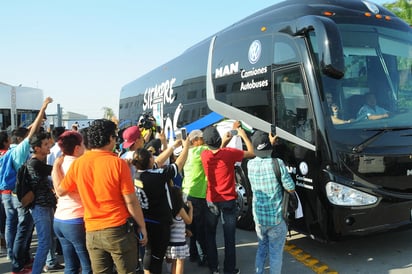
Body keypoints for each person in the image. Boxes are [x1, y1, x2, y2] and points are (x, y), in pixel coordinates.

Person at [52, 119, 147, 273]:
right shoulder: (118, 163)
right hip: (118, 229)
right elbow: (131, 201)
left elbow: (61, 191)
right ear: (110, 138)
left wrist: (56, 167)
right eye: (115, 137)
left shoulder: (78, 164)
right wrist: (142, 225)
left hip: (91, 231)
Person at [1, 97, 52, 274]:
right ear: (23, 139)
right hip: (21, 194)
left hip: (8, 193)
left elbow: (30, 131)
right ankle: (18, 264)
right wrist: (43, 107)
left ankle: (16, 258)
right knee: (23, 231)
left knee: (12, 226)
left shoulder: (10, 150)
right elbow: (32, 134)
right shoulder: (22, 150)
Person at [200, 122, 254, 274]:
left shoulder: (204, 155)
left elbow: (216, 152)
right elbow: (251, 152)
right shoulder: (229, 153)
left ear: (206, 143)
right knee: (229, 237)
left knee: (210, 235)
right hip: (228, 200)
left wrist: (224, 141)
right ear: (219, 139)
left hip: (211, 199)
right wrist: (242, 135)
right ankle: (229, 269)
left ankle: (213, 268)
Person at [132, 137, 190, 274]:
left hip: (145, 219)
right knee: (157, 258)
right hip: (158, 222)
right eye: (152, 157)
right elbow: (178, 165)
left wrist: (173, 147)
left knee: (149, 253)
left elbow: (157, 162)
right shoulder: (156, 176)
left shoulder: (138, 175)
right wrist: (186, 147)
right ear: (149, 161)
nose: (154, 158)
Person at [247, 131, 295, 274]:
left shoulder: (250, 165)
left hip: (259, 218)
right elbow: (290, 188)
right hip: (276, 219)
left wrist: (268, 144)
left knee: (262, 248)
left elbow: (261, 154)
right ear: (270, 148)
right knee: (275, 253)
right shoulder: (278, 163)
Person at [53, 131, 92, 274]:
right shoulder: (79, 165)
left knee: (71, 266)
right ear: (77, 148)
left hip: (60, 219)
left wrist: (55, 168)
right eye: (82, 144)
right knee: (88, 266)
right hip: (76, 220)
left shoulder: (60, 162)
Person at [26, 132, 56, 274]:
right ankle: (36, 271)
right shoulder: (35, 163)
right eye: (45, 144)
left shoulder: (38, 162)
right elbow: (54, 170)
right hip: (40, 207)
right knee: (44, 242)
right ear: (37, 148)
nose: (49, 146)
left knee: (49, 239)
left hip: (45, 206)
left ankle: (49, 263)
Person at [181, 129, 208, 266]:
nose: (204, 140)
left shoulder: (185, 153)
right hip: (197, 194)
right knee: (200, 228)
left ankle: (192, 254)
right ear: (195, 140)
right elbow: (217, 146)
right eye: (202, 138)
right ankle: (203, 258)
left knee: (191, 227)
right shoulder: (201, 151)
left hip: (186, 192)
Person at [44, 126, 66, 273]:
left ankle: (57, 252)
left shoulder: (51, 150)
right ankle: (54, 256)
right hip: (60, 187)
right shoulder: (60, 150)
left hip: (53, 185)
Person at [165, 187, 193, 274]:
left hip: (171, 241)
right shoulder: (180, 209)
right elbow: (188, 221)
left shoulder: (169, 209)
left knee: (174, 262)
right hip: (179, 242)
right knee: (180, 262)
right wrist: (191, 208)